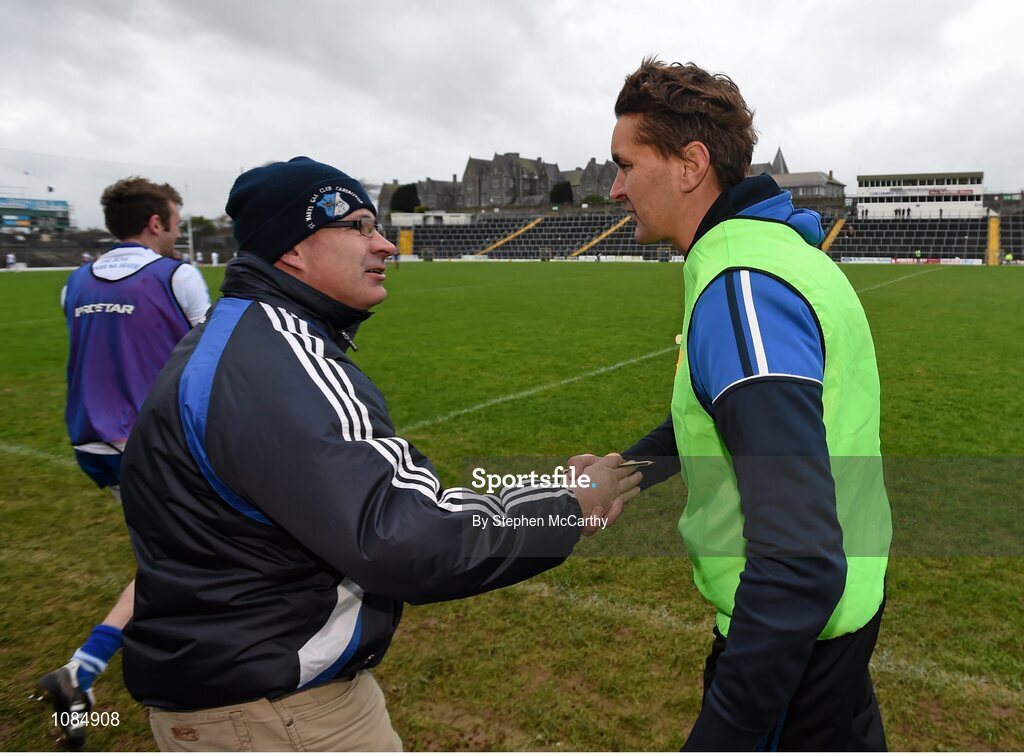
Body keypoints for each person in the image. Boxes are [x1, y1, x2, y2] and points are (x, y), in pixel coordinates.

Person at [118, 157, 641, 751]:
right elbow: (408, 535)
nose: (386, 245)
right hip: (279, 718)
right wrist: (569, 503)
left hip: (232, 698)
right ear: (292, 247)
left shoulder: (231, 340)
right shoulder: (281, 362)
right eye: (361, 227)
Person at [601, 58, 892, 750]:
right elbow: (725, 420)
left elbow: (798, 563)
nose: (614, 189)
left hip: (792, 651)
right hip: (844, 623)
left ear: (689, 164)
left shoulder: (742, 287)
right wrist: (628, 471)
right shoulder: (781, 256)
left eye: (625, 164)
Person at [36, 177, 210, 750]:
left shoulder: (75, 281)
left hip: (91, 445)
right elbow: (214, 354)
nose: (179, 229)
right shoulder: (175, 275)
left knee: (170, 553)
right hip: (153, 448)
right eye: (176, 219)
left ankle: (86, 682)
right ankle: (82, 673)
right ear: (157, 223)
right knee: (180, 557)